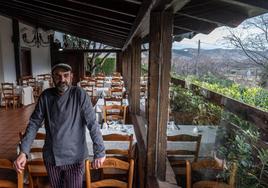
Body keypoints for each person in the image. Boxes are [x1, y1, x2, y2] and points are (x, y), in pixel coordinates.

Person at [14, 63, 106, 188]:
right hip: (52, 157)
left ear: (71, 77)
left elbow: (92, 123)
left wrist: (99, 151)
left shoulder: (79, 94)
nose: (62, 79)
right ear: (52, 78)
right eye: (57, 76)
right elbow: (34, 123)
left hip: (75, 157)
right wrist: (23, 151)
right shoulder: (46, 96)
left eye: (66, 75)